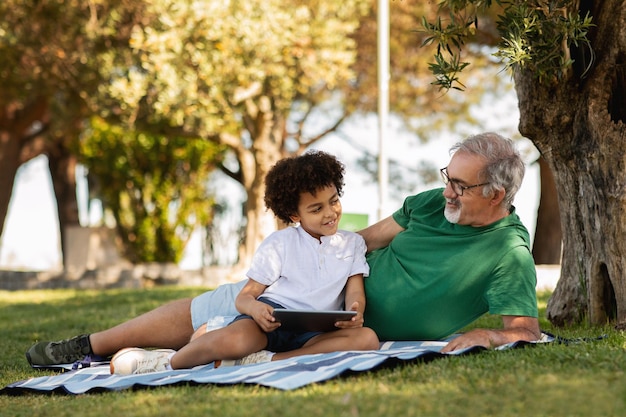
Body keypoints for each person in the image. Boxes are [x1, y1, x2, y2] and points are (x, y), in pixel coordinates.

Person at [25, 132, 540, 368]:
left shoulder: (507, 253)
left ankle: (229, 355)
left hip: (348, 328)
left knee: (324, 336)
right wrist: (304, 257)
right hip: (309, 292)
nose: (447, 191)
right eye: (447, 179)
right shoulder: (433, 203)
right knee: (218, 303)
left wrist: (483, 334)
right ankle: (88, 346)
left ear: (496, 193)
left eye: (460, 186)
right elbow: (363, 240)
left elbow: (525, 330)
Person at [109, 150, 378, 374]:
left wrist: (356, 311)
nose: (330, 213)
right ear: (294, 214)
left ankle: (267, 361)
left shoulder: (353, 244)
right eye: (316, 209)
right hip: (269, 320)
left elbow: (355, 290)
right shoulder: (280, 243)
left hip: (315, 330)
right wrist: (255, 310)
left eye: (334, 201)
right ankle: (166, 361)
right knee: (236, 340)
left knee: (367, 339)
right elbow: (245, 297)